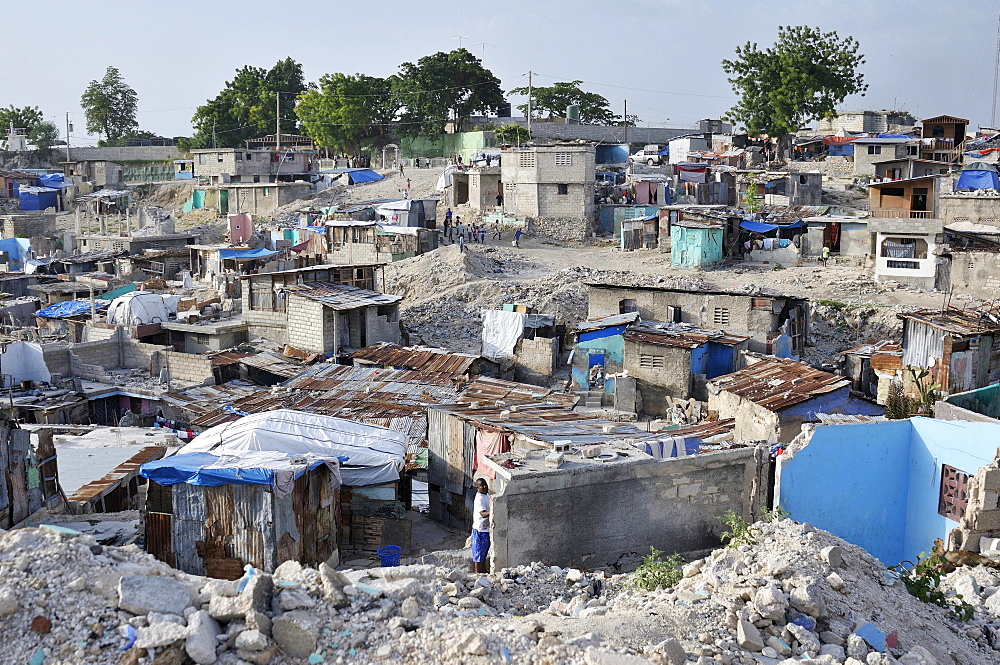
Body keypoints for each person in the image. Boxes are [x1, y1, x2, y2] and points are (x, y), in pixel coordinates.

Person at [471, 478, 491, 573]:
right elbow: (482, 514)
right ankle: (478, 575)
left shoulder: (486, 495)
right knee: (478, 554)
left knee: (483, 553)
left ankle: (484, 572)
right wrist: (494, 511)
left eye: (485, 484)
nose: (484, 487)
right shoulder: (479, 498)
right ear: (477, 487)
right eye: (482, 486)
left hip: (486, 529)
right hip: (480, 530)